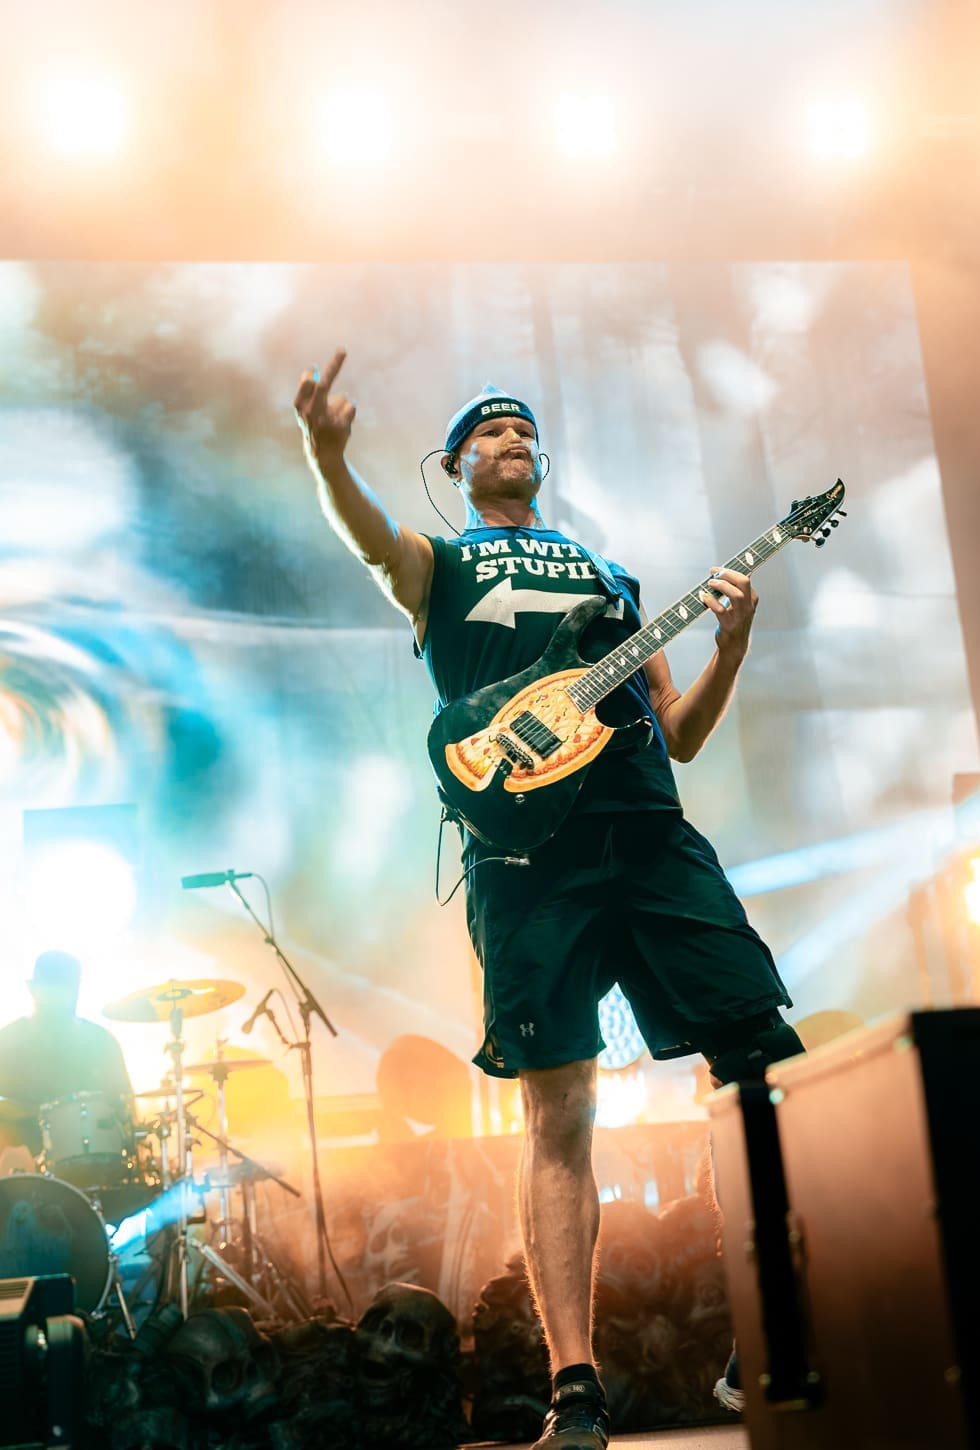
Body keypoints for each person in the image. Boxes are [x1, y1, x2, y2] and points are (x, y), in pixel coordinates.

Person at [295, 350, 804, 1448]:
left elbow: (681, 734)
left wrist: (732, 644)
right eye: (489, 431)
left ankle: (775, 1323)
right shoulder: (445, 561)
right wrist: (325, 458)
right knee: (558, 1105)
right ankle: (577, 1386)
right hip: (525, 854)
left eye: (524, 427)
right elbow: (374, 539)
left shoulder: (612, 580)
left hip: (647, 831)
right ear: (457, 464)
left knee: (763, 1064)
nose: (513, 436)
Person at [0, 950, 134, 1156]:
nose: (61, 997)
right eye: (53, 988)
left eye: (68, 988)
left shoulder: (101, 1042)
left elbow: (125, 1108)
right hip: (20, 1170)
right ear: (32, 989)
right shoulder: (7, 1042)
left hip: (96, 1169)